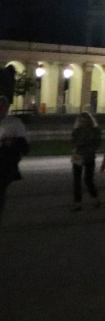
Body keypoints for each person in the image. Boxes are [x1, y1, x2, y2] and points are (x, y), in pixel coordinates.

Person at [0, 71, 31, 223]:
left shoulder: (15, 123)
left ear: (6, 108)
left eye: (2, 106)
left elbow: (24, 146)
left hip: (4, 163)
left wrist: (11, 143)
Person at [70, 112, 101, 210]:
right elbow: (74, 143)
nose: (82, 123)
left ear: (89, 121)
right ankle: (77, 203)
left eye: (84, 121)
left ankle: (95, 198)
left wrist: (82, 144)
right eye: (80, 121)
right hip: (78, 156)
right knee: (77, 181)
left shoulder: (95, 131)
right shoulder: (76, 131)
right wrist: (81, 144)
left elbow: (96, 145)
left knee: (88, 180)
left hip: (89, 156)